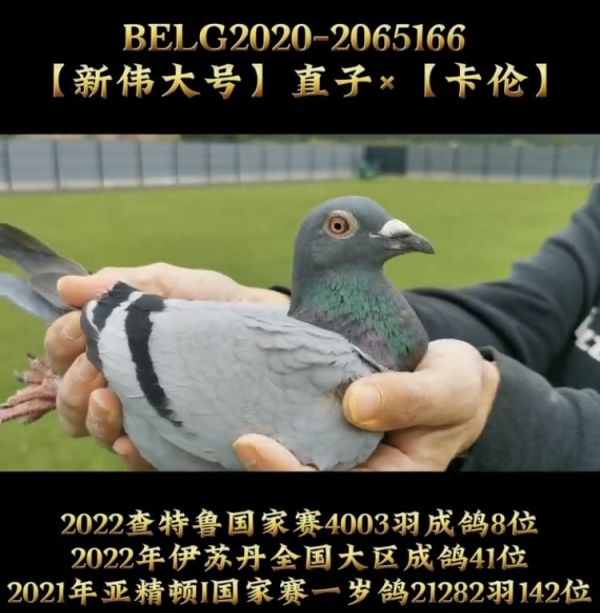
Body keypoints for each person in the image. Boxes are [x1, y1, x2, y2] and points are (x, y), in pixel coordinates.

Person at [44, 184, 600, 471]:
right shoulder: (333, 401)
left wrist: (498, 420)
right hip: (149, 346)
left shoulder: (347, 398)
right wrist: (272, 310)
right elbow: (532, 305)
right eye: (341, 227)